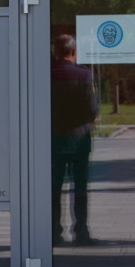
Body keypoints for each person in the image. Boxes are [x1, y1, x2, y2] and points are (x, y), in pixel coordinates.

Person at [50, 33, 99, 245]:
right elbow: (91, 108)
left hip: (54, 139)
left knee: (54, 189)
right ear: (73, 52)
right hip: (79, 139)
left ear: (55, 52)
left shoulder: (48, 74)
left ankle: (54, 232)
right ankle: (81, 231)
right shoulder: (83, 74)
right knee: (80, 188)